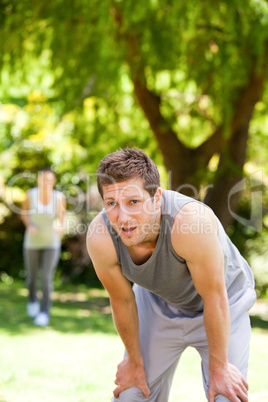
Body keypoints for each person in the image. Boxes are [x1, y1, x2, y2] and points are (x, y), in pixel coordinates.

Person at [86, 148, 256, 402]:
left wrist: (219, 368)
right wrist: (134, 362)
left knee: (225, 395)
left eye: (133, 201)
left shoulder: (188, 223)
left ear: (156, 198)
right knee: (131, 394)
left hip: (224, 302)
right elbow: (122, 300)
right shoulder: (101, 237)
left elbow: (214, 297)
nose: (123, 217)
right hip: (158, 303)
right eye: (112, 204)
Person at [21, 167, 66, 327]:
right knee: (32, 276)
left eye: (49, 179)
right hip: (32, 241)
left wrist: (61, 227)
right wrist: (29, 225)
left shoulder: (58, 197)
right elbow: (24, 213)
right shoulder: (30, 195)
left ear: (53, 181)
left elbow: (62, 219)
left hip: (51, 242)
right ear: (38, 180)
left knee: (46, 278)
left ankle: (44, 312)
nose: (46, 182)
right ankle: (32, 300)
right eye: (42, 179)